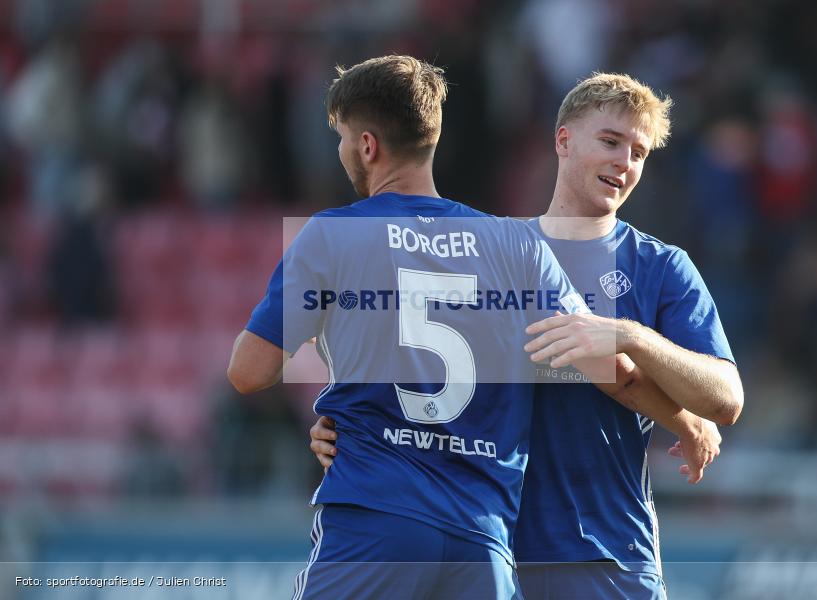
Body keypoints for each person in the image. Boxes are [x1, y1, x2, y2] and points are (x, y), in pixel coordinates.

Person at [311, 72, 743, 599]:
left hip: (604, 550)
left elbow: (725, 399)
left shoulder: (661, 267)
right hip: (486, 550)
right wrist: (347, 430)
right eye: (609, 142)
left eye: (639, 152)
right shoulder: (492, 252)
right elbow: (421, 368)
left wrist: (630, 335)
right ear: (563, 140)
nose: (624, 163)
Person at [227, 55, 593, 600]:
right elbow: (595, 364)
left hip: (375, 520)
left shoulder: (333, 238)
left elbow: (249, 373)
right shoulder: (519, 245)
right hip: (482, 537)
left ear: (369, 146)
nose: (340, 150)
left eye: (343, 138)